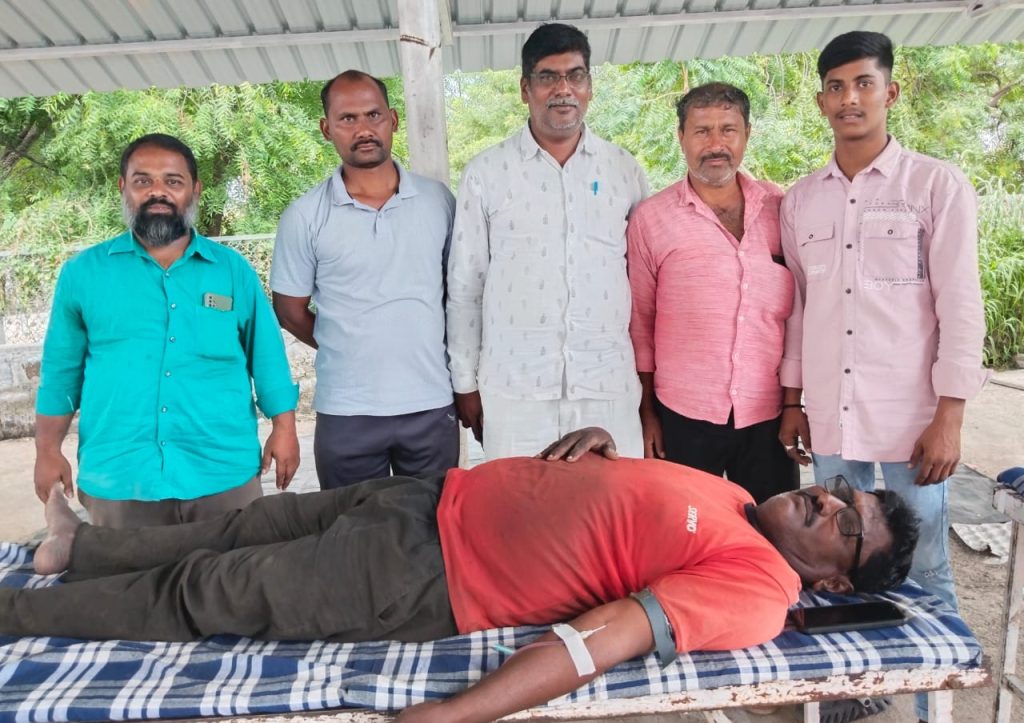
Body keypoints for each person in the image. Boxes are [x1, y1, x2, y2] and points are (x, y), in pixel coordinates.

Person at [4, 427, 919, 723]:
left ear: (834, 583)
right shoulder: (736, 496)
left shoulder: (760, 587)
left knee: (209, 590)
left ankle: (15, 613)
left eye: (846, 526)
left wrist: (457, 713)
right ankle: (72, 551)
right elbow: (628, 509)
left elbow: (609, 634)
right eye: (840, 491)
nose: (827, 502)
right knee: (238, 527)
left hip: (424, 570)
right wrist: (602, 447)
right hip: (428, 496)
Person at [777, 31, 990, 722]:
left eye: (864, 84)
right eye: (836, 87)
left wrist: (950, 413)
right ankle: (848, 698)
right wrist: (793, 400)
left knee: (923, 563)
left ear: (890, 92)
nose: (850, 99)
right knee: (833, 563)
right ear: (821, 101)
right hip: (832, 412)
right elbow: (800, 307)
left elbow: (960, 304)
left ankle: (933, 708)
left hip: (912, 418)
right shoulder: (801, 201)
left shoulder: (935, 185)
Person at [33, 134, 299, 528]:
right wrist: (47, 450)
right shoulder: (83, 274)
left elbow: (267, 357)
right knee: (125, 571)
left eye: (173, 181)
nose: (158, 192)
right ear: (123, 187)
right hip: (121, 479)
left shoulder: (232, 271)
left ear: (195, 189)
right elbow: (60, 373)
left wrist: (285, 428)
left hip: (222, 473)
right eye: (143, 181)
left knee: (233, 568)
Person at [446, 23, 649, 459]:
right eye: (548, 77)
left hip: (607, 387)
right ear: (525, 89)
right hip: (515, 392)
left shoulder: (624, 171)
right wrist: (465, 382)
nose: (563, 89)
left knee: (614, 500)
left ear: (589, 86)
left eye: (575, 75)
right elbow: (466, 285)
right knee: (520, 502)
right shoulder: (486, 173)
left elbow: (642, 281)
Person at [271, 71, 458, 489]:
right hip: (347, 410)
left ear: (393, 119)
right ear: (326, 129)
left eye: (373, 115)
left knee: (432, 521)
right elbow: (289, 310)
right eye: (347, 118)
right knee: (352, 524)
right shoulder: (305, 216)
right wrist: (345, 342)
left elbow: (457, 295)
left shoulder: (438, 201)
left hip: (430, 403)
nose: (363, 129)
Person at [627, 83, 798, 503]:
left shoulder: (782, 210)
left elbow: (799, 314)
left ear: (747, 134)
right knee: (685, 529)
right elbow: (640, 325)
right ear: (681, 137)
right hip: (682, 415)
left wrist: (795, 405)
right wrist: (646, 413)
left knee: (772, 530)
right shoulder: (651, 219)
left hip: (768, 415)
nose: (716, 144)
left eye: (728, 130)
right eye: (702, 131)